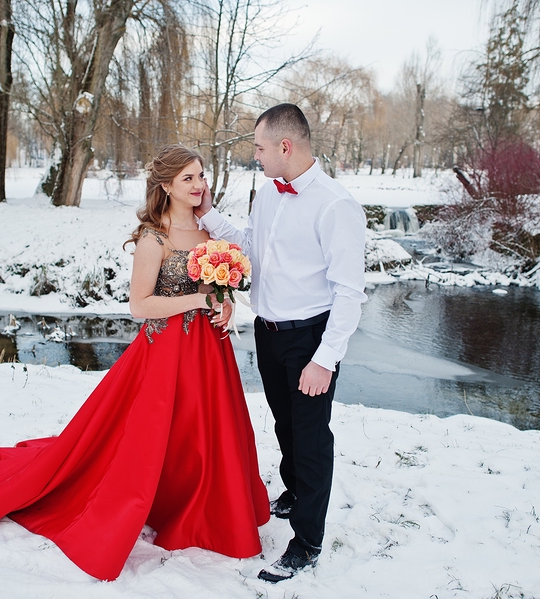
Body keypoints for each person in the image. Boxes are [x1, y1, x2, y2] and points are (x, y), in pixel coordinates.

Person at [0, 145, 270, 581]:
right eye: (187, 178)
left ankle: (203, 506)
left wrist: (222, 306)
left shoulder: (210, 232)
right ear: (166, 185)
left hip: (209, 352)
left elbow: (217, 288)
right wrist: (199, 298)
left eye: (201, 176)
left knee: (203, 434)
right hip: (166, 354)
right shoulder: (155, 236)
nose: (198, 185)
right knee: (155, 436)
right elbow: (139, 305)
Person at [195, 103, 367, 582]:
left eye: (259, 147)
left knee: (311, 440)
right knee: (286, 427)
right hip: (268, 334)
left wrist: (324, 360)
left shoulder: (336, 205)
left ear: (285, 147)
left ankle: (307, 542)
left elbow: (350, 293)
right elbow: (252, 244)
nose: (256, 156)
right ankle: (294, 493)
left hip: (311, 339)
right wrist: (210, 217)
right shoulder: (268, 193)